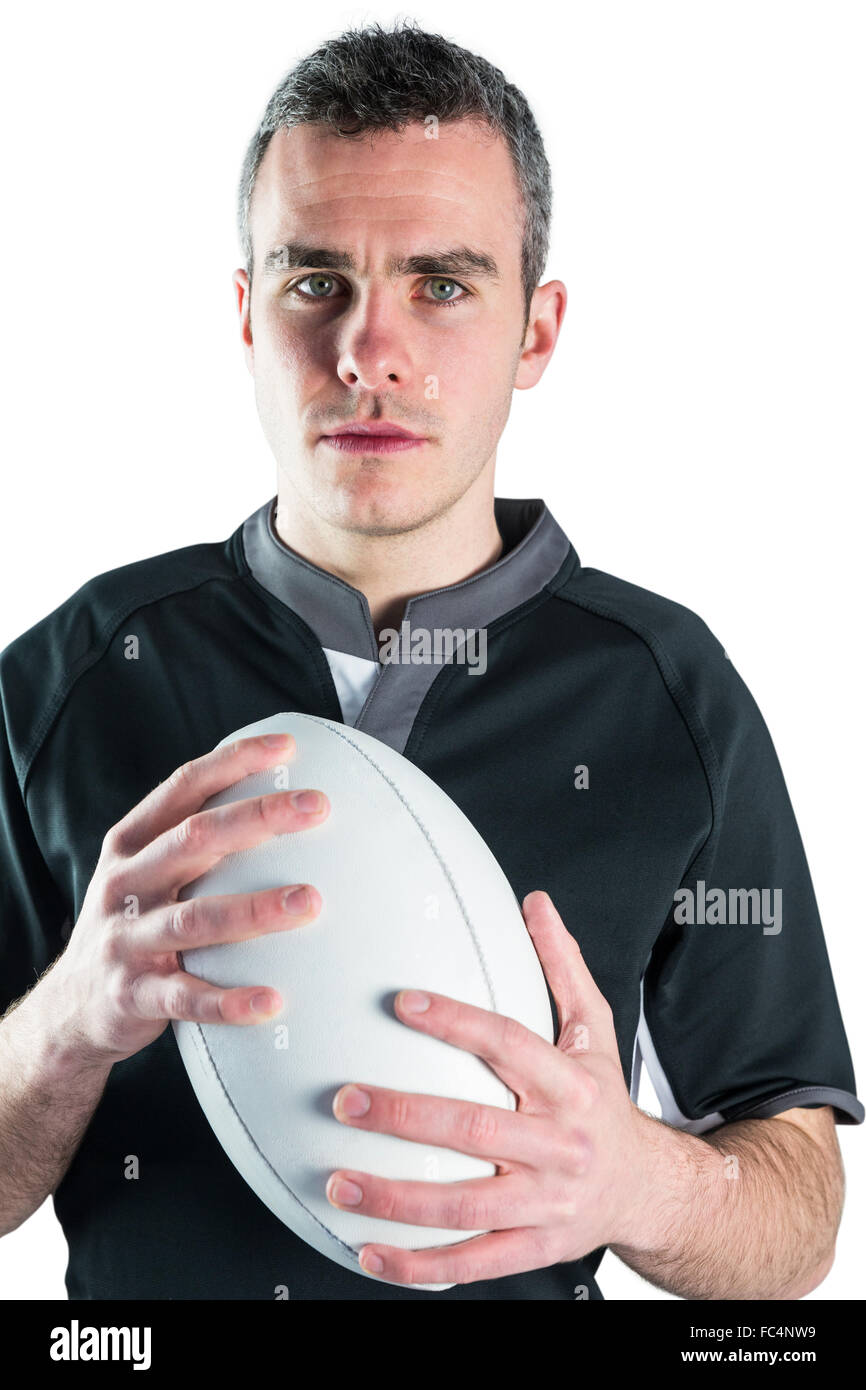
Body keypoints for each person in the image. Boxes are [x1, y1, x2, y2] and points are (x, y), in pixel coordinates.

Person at [0, 19, 860, 1302]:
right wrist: (68, 1021)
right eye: (313, 282)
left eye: (441, 284)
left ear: (536, 330)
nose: (367, 350)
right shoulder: (71, 675)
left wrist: (636, 1177)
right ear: (243, 309)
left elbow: (796, 1216)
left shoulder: (667, 690)